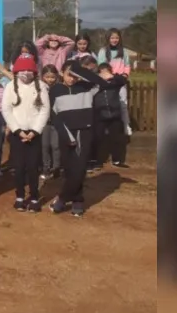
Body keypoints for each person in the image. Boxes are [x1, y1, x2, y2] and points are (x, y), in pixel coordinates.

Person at [49, 60, 127, 217]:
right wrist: (67, 135)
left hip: (85, 132)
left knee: (80, 167)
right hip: (66, 133)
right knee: (71, 170)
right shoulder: (55, 90)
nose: (71, 78)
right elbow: (54, 116)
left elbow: (119, 82)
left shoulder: (88, 87)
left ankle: (63, 198)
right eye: (68, 74)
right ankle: (77, 198)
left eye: (74, 75)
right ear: (61, 74)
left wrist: (89, 73)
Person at [1, 54, 51, 213]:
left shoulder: (41, 86)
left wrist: (35, 131)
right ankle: (20, 196)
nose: (25, 74)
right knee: (19, 166)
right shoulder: (10, 86)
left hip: (34, 133)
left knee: (33, 167)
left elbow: (45, 110)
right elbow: (6, 110)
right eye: (21, 70)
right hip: (17, 133)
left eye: (29, 70)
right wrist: (18, 130)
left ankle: (35, 196)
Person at [93, 63, 130, 169]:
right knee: (98, 138)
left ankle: (117, 160)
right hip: (100, 115)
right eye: (102, 72)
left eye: (106, 71)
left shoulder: (115, 82)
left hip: (114, 115)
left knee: (117, 138)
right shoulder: (96, 84)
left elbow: (123, 80)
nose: (104, 74)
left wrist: (112, 76)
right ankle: (98, 161)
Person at [40, 65, 62, 180]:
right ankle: (46, 168)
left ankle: (56, 168)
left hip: (56, 122)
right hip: (44, 122)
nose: (50, 79)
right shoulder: (40, 88)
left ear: (57, 76)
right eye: (47, 77)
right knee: (44, 146)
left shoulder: (59, 88)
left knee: (56, 145)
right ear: (43, 77)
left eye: (52, 77)